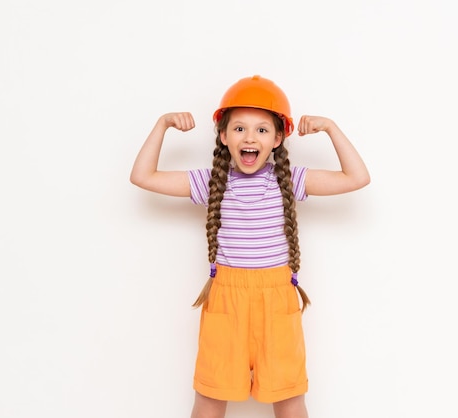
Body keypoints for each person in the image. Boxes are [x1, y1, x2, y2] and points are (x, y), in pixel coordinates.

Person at [130, 75, 370, 418]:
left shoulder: (289, 179)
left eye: (261, 129)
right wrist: (162, 125)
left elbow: (357, 178)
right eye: (239, 128)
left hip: (277, 300)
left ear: (277, 138)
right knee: (210, 399)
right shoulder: (211, 181)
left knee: (289, 400)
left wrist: (331, 128)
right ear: (224, 136)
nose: (250, 137)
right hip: (227, 298)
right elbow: (143, 176)